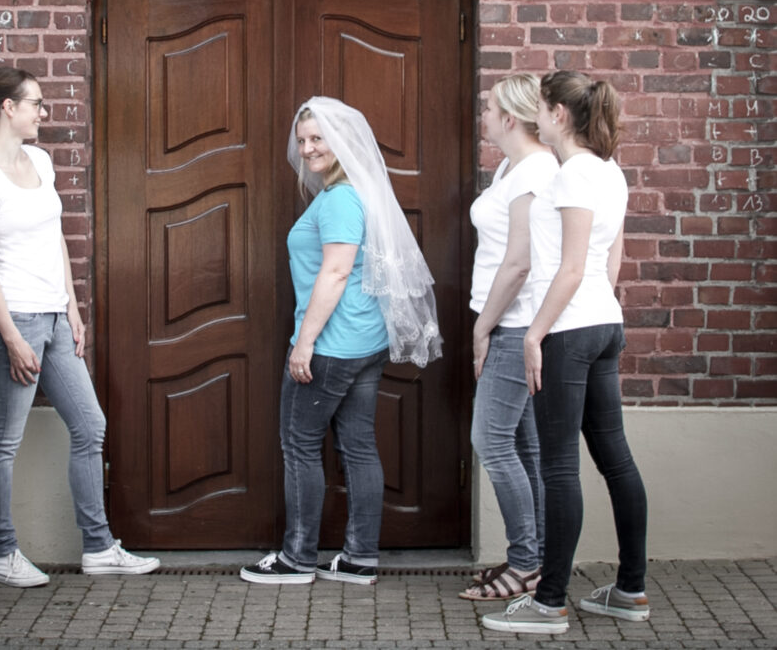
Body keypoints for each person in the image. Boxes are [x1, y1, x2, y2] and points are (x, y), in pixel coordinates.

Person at [0, 66, 160, 585]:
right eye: (35, 103)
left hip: (53, 315)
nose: (43, 112)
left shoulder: (42, 161)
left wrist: (72, 307)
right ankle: (4, 554)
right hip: (18, 321)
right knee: (2, 444)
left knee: (90, 427)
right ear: (8, 108)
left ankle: (98, 548)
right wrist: (7, 335)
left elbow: (55, 238)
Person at [240, 96, 441, 588]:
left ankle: (297, 559)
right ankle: (358, 559)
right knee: (357, 446)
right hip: (364, 342)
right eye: (303, 140)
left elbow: (335, 272)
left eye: (317, 139)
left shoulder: (341, 199)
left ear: (342, 142)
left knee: (300, 445)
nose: (307, 148)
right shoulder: (353, 194)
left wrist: (303, 344)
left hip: (332, 346)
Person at [482, 70, 649, 636]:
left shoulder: (574, 174)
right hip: (604, 324)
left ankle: (549, 602)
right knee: (616, 461)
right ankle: (629, 590)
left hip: (571, 332)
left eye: (544, 109)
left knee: (559, 467)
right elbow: (610, 265)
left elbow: (572, 267)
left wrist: (536, 335)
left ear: (557, 114)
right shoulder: (610, 171)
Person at [460, 74, 556, 602]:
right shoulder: (509, 168)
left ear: (510, 118)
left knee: (492, 442)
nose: (485, 115)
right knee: (522, 445)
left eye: (490, 107)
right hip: (504, 318)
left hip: (513, 321)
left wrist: (482, 328)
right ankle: (533, 558)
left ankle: (525, 563)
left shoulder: (535, 172)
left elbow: (519, 262)